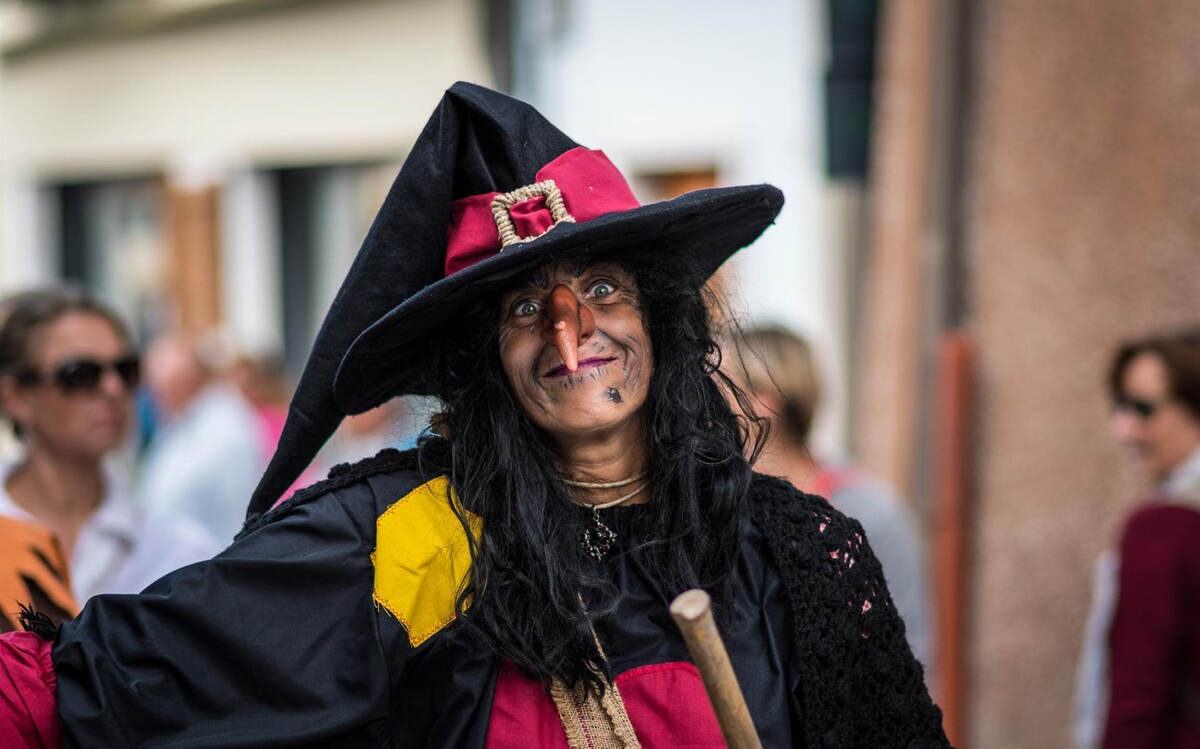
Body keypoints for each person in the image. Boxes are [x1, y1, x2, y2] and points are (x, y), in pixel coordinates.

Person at [0, 83, 947, 747]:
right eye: (526, 308)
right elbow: (88, 691)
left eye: (602, 289)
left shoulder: (794, 549)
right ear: (486, 358)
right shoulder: (410, 535)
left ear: (659, 318)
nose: (570, 334)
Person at [0, 288, 217, 628]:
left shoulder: (180, 552)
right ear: (16, 397)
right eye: (79, 373)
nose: (113, 388)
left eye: (126, 369)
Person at [732, 325, 932, 670]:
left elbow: (911, 651)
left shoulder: (868, 514)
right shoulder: (716, 511)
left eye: (719, 389)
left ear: (763, 401)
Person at [1074, 329, 1200, 749]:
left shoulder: (1163, 528)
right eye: (1119, 405)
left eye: (1143, 409)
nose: (1123, 429)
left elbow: (1139, 692)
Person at [138, 332, 265, 545]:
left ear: (189, 379)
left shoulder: (227, 429)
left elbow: (238, 518)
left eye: (163, 387)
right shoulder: (178, 422)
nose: (154, 397)